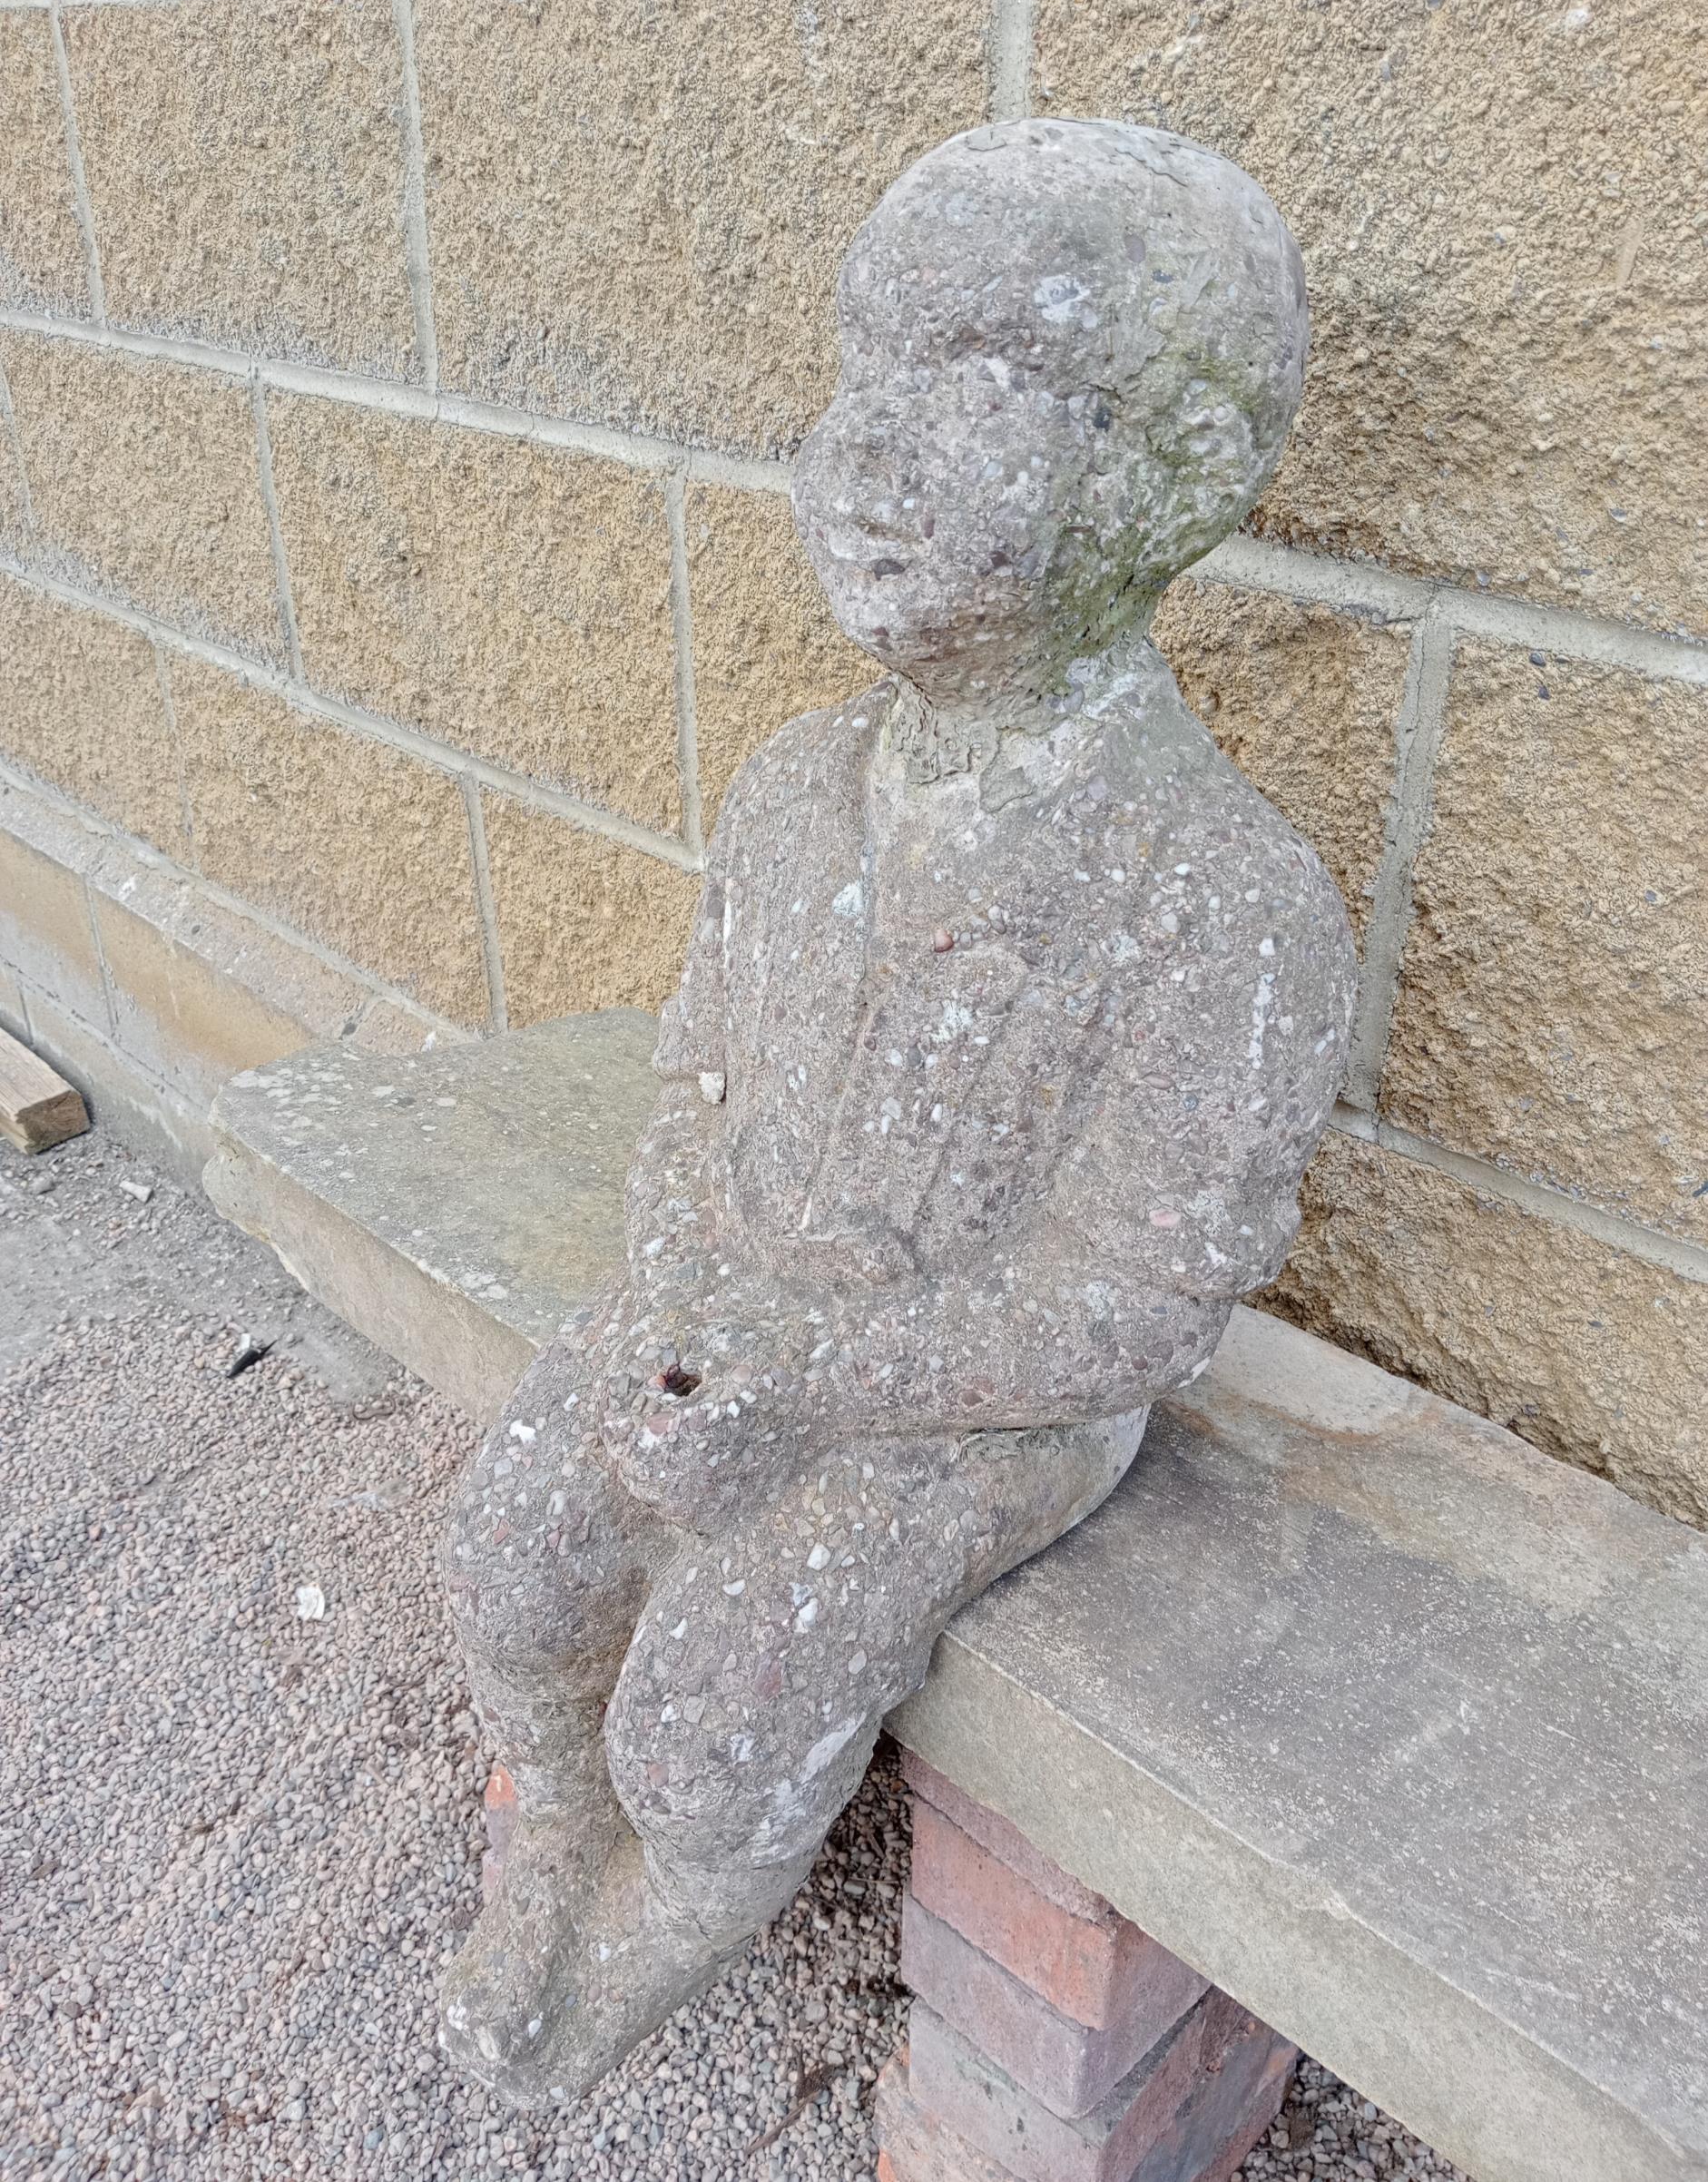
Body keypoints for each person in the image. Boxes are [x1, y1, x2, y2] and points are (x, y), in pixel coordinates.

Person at [440, 116, 1356, 2104]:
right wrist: (680, 1292)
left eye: (976, 391)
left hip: (968, 1405)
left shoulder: (1221, 900)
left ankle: (643, 1922)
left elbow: (1132, 1304)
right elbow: (690, 1086)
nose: (865, 457)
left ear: (1173, 475)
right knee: (515, 1543)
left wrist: (814, 1381)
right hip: (738, 1316)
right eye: (865, 370)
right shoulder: (793, 789)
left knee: (710, 1704)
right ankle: (540, 1853)